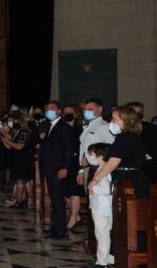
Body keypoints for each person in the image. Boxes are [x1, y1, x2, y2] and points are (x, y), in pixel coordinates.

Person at [89, 105, 150, 199]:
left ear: (125, 121)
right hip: (134, 178)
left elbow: (112, 164)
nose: (111, 122)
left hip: (127, 180)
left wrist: (95, 180)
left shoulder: (124, 138)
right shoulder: (131, 136)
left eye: (114, 119)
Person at [41, 101, 72, 239]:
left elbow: (67, 149)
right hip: (50, 168)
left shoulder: (63, 127)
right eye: (47, 109)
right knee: (54, 199)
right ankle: (56, 227)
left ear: (59, 111)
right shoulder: (51, 126)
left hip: (58, 169)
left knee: (58, 199)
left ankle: (61, 230)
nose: (49, 111)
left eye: (52, 109)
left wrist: (64, 167)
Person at [86, 143, 114, 268]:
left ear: (100, 156)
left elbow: (106, 190)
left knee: (102, 234)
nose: (89, 157)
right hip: (101, 207)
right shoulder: (102, 168)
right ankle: (105, 258)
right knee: (101, 233)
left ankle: (102, 263)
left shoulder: (103, 171)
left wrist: (93, 188)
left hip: (102, 207)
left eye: (91, 154)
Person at [77, 99, 115, 187]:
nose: (86, 112)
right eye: (85, 110)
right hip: (87, 168)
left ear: (100, 109)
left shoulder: (104, 126)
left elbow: (112, 148)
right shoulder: (87, 127)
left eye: (90, 109)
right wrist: (81, 170)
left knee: (99, 198)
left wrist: (92, 161)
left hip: (99, 169)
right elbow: (83, 149)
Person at [0, 112, 33, 209]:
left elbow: (19, 146)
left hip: (22, 160)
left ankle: (19, 202)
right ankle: (20, 201)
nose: (13, 123)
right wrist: (4, 137)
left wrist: (7, 141)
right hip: (16, 159)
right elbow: (10, 147)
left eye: (14, 121)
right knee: (18, 181)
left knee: (20, 182)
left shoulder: (24, 132)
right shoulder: (17, 132)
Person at [60, 104, 84, 230]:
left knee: (74, 191)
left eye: (70, 112)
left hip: (75, 163)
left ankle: (73, 217)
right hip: (64, 163)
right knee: (65, 192)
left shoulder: (79, 129)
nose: (67, 114)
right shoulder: (61, 128)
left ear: (75, 114)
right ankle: (77, 216)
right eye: (65, 112)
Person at [126, 101, 157, 184]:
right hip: (128, 169)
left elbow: (154, 149)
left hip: (146, 169)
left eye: (140, 112)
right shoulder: (123, 128)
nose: (138, 115)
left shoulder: (151, 128)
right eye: (135, 112)